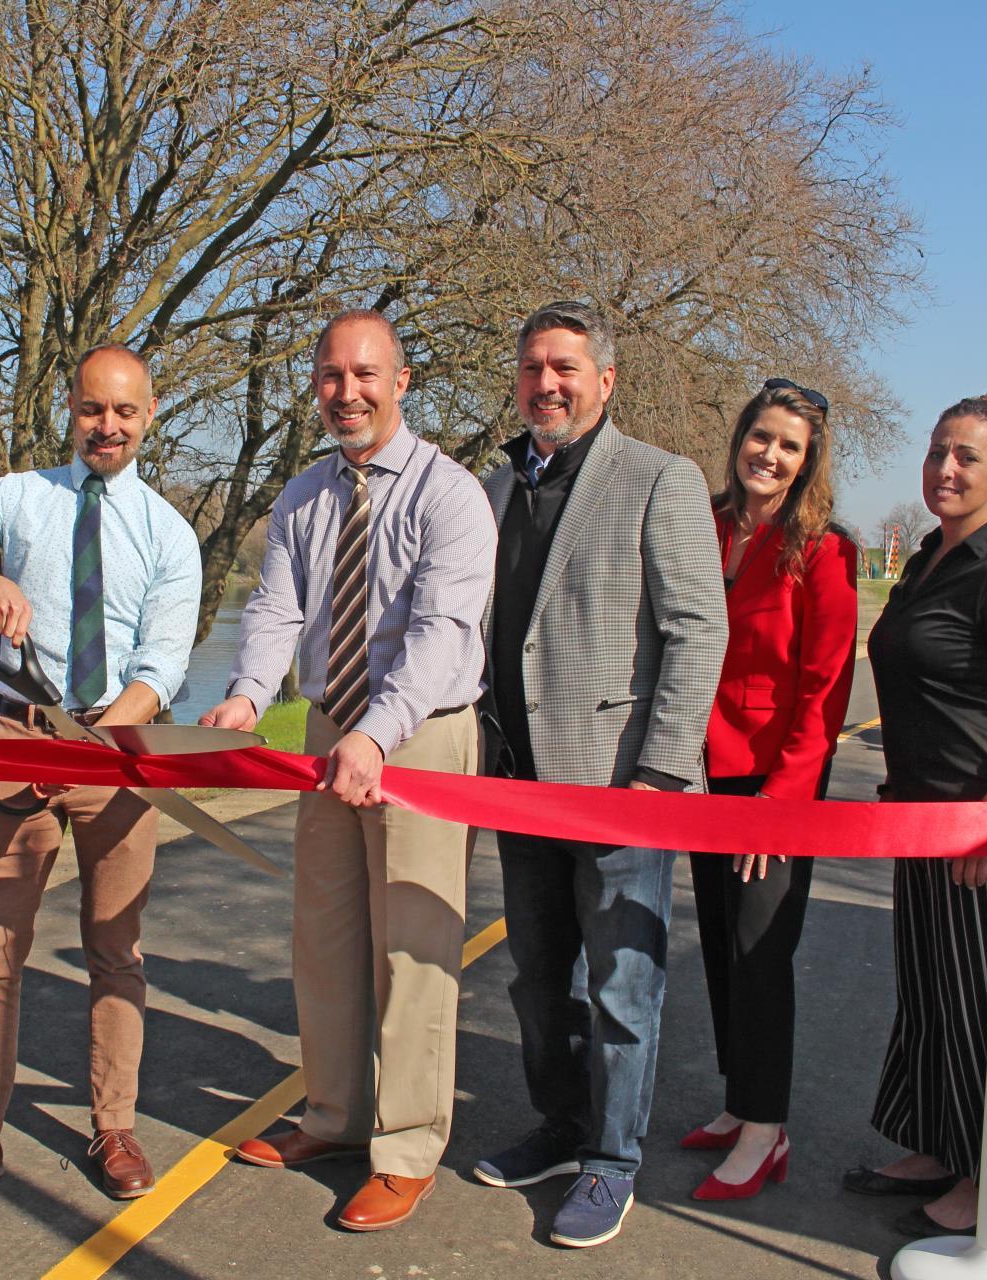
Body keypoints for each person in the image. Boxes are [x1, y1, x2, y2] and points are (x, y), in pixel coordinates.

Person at [0, 344, 199, 1213]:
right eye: (94, 409)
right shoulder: (17, 498)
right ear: (72, 407)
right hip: (16, 746)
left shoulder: (169, 532)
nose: (108, 426)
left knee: (116, 953)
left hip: (115, 748)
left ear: (150, 413)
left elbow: (162, 663)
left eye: (125, 412)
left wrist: (98, 740)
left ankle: (115, 1126)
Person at [205, 310, 495, 1232]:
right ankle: (333, 1116)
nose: (347, 393)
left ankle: (407, 1150)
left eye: (366, 375)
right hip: (330, 730)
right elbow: (278, 611)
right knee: (324, 938)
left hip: (420, 735)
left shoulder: (450, 496)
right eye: (331, 377)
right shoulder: (303, 496)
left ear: (402, 382)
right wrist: (249, 697)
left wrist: (376, 735)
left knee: (412, 950)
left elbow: (440, 638)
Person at [471, 299, 725, 1248]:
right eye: (534, 367)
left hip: (623, 785)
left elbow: (698, 629)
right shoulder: (492, 488)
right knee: (539, 980)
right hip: (517, 783)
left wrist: (662, 770)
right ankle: (562, 1125)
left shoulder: (661, 478)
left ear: (605, 381)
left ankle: (612, 1161)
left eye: (566, 369)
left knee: (623, 987)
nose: (547, 383)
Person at [844, 390, 987, 1238]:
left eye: (968, 458)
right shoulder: (927, 562)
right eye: (939, 450)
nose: (946, 469)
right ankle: (938, 1145)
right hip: (922, 820)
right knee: (933, 995)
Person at [681, 379, 858, 1200]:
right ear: (740, 437)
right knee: (719, 945)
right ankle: (738, 1098)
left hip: (773, 784)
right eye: (761, 436)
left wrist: (780, 805)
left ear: (807, 461)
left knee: (761, 954)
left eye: (789, 445)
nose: (770, 454)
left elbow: (824, 695)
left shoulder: (825, 550)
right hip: (703, 773)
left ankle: (766, 1130)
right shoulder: (704, 523)